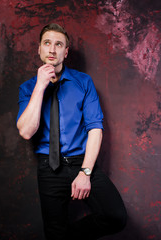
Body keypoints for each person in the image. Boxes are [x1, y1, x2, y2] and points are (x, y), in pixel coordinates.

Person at [16, 23, 127, 240]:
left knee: (115, 216)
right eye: (47, 43)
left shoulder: (83, 82)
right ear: (39, 49)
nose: (52, 49)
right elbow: (27, 132)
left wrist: (85, 173)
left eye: (59, 44)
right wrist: (40, 86)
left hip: (81, 162)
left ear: (65, 52)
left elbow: (95, 128)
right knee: (54, 231)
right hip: (49, 167)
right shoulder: (27, 88)